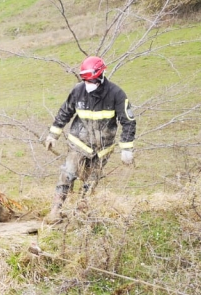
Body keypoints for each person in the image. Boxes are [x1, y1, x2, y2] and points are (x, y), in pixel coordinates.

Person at [44, 56, 136, 223]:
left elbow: (128, 122)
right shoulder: (78, 90)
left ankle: (80, 212)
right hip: (79, 143)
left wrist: (127, 149)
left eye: (91, 81)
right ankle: (55, 210)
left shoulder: (116, 94)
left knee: (91, 182)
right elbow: (65, 112)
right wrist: (53, 134)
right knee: (67, 174)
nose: (88, 85)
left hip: (102, 149)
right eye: (85, 80)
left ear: (100, 76)